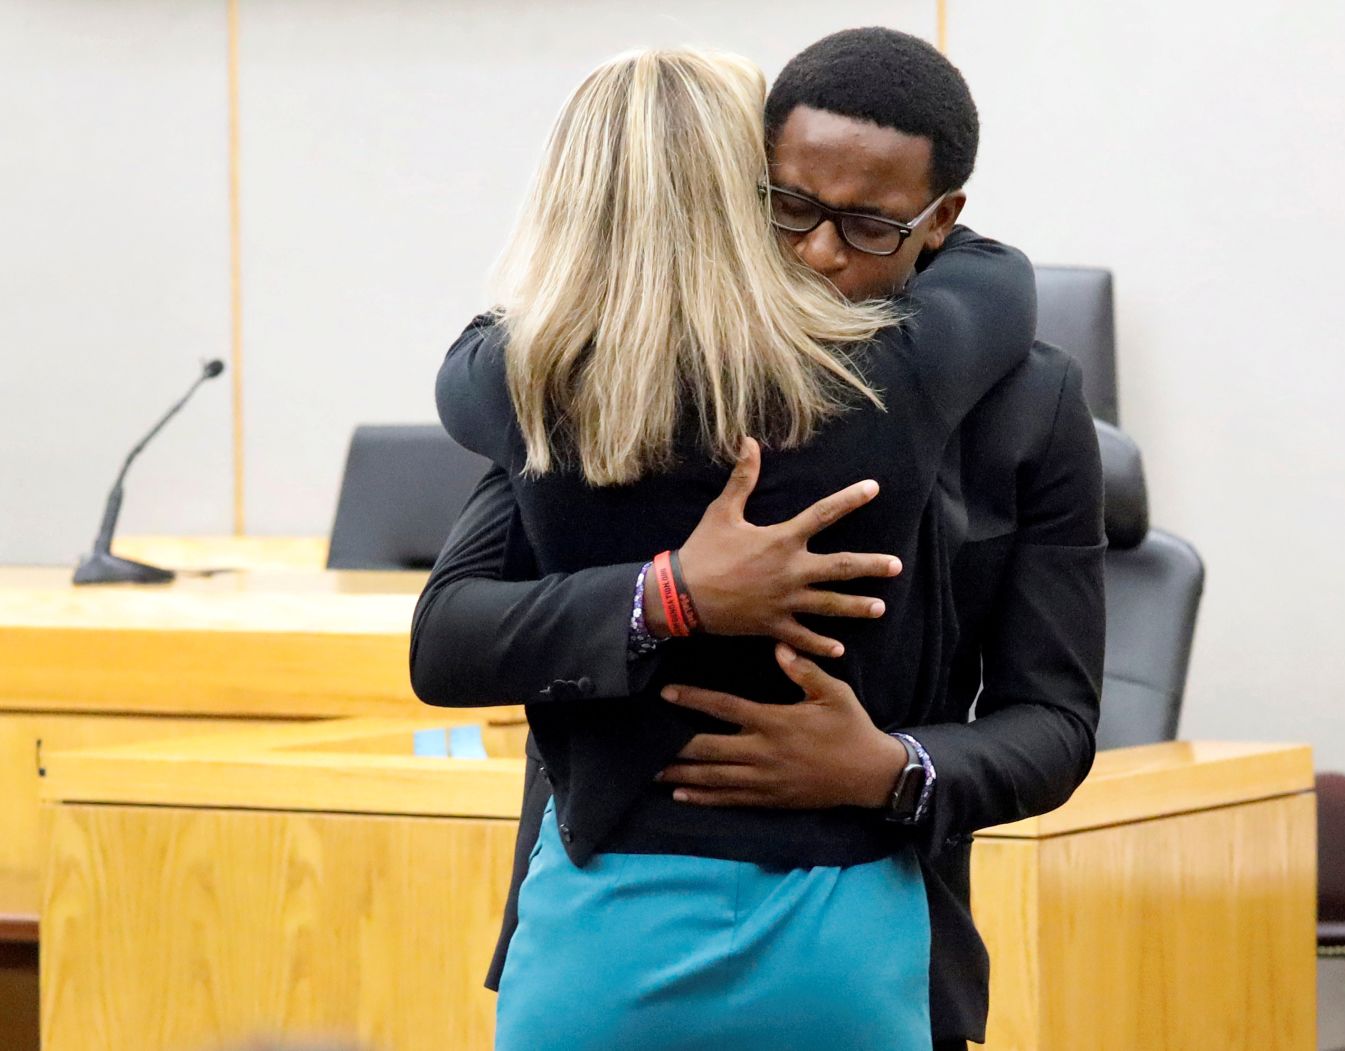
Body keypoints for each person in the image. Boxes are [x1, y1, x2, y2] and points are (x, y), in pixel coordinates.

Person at [414, 27, 1106, 1051]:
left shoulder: (1026, 399)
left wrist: (891, 767)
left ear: (939, 220)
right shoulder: (601, 391)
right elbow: (449, 639)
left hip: (867, 921)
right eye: (787, 208)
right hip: (630, 905)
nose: (819, 253)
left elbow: (1054, 721)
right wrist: (667, 591)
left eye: (869, 226)